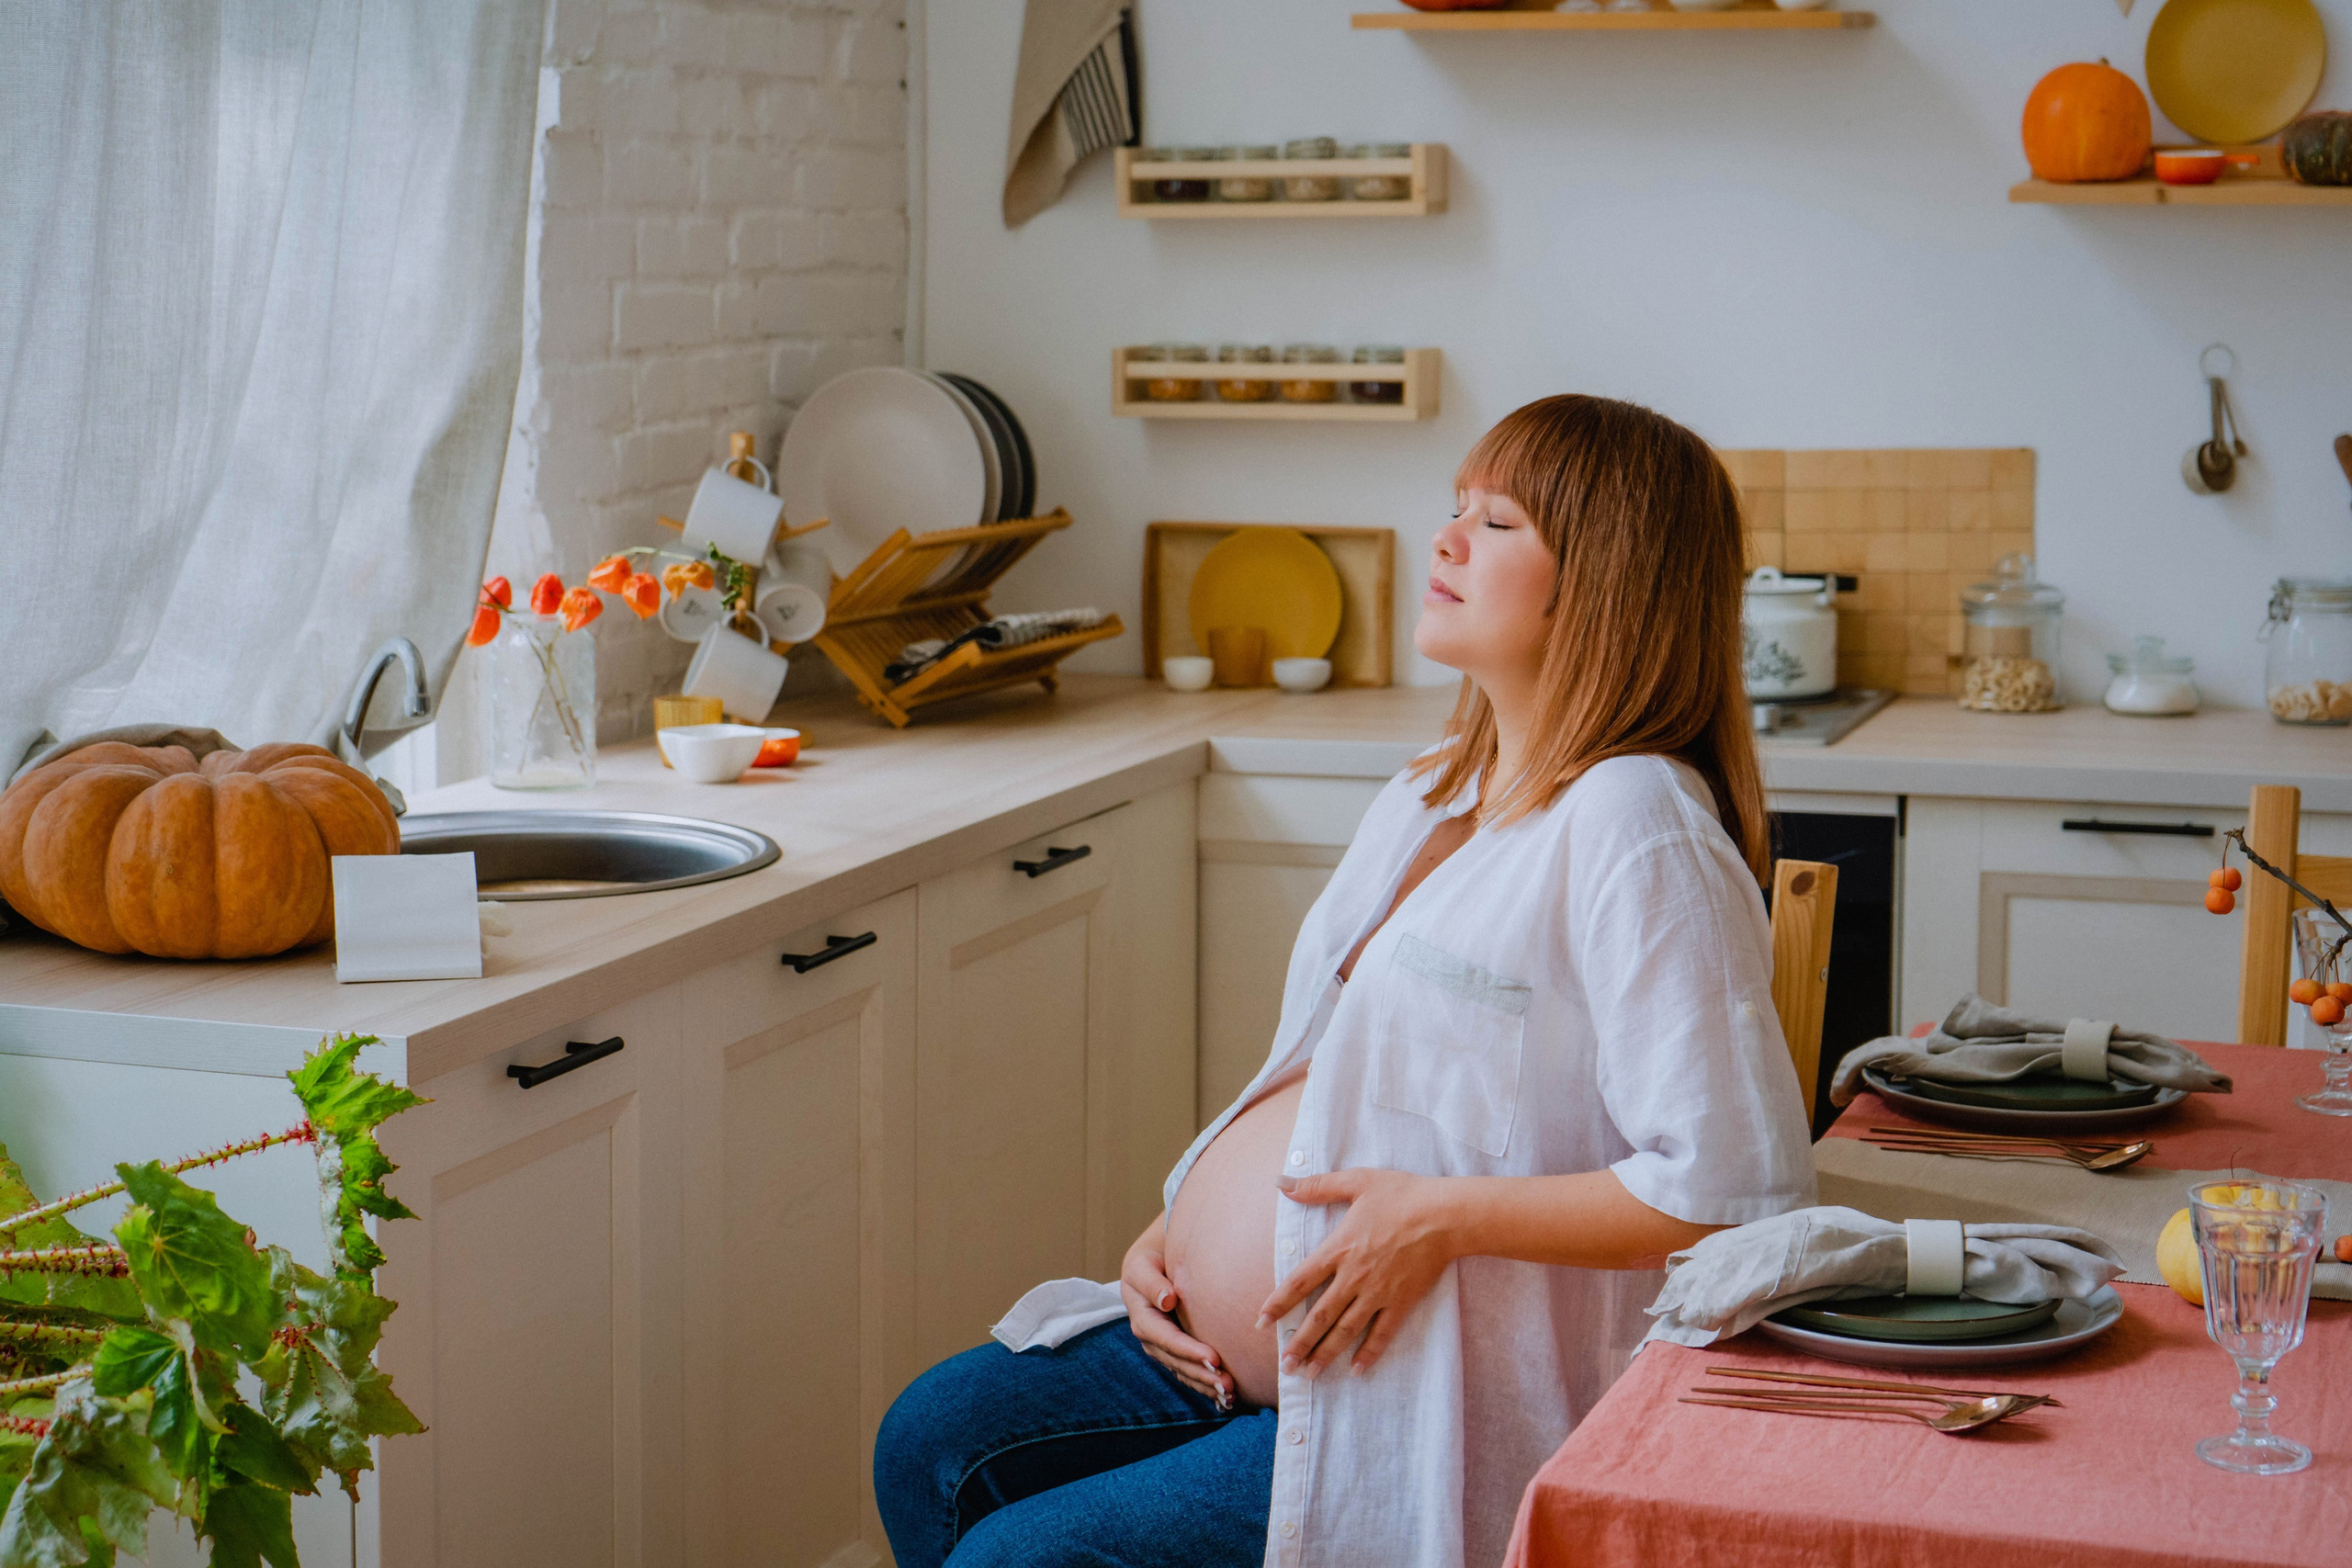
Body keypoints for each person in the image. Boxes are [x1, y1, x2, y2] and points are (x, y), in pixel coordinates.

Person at [873, 394, 1817, 1568]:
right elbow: (1332, 1067)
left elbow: (1734, 1191)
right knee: (929, 1441)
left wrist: (1440, 1222)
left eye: (1500, 522)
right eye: (1454, 510)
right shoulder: (1436, 788)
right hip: (1256, 1345)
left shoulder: (1634, 822)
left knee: (1020, 1559)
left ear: (1608, 577)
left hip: (1424, 1402)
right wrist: (1176, 1227)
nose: (1448, 540)